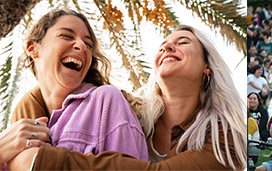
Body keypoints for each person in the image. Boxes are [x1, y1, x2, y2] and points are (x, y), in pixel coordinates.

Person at [9, 25, 246, 170]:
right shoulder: (126, 109)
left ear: (207, 66)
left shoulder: (224, 138)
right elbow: (53, 95)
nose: (167, 49)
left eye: (182, 43)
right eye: (163, 46)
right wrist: (15, 148)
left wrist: (41, 162)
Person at [10, 9, 148, 160]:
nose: (81, 46)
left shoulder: (106, 101)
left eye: (88, 44)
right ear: (33, 49)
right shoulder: (20, 127)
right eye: (67, 36)